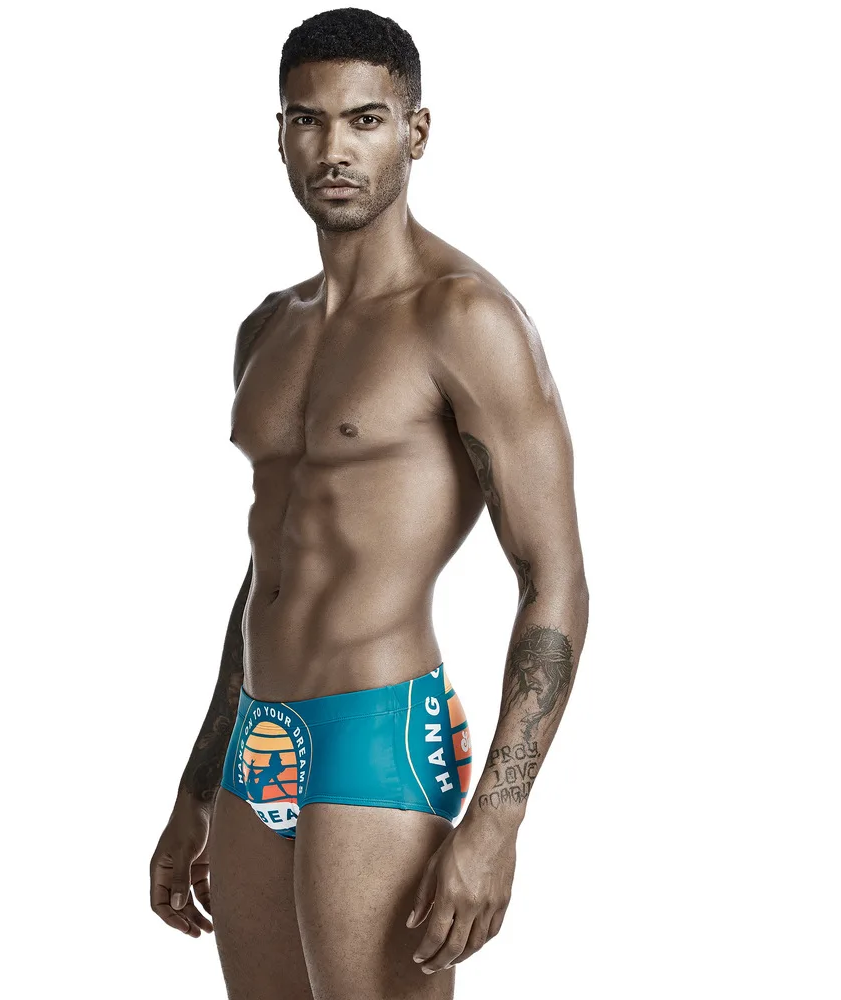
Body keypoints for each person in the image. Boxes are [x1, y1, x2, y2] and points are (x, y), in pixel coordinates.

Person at [149, 8, 589, 998]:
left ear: (415, 132)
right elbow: (271, 568)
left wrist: (497, 821)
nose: (334, 149)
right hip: (257, 738)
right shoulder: (267, 329)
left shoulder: (464, 317)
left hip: (379, 731)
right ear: (280, 135)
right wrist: (195, 788)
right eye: (308, 120)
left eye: (365, 120)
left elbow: (553, 578)